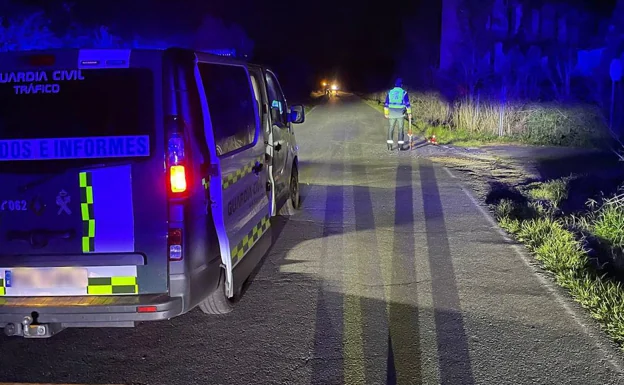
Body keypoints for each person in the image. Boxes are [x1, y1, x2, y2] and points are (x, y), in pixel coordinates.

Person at [384, 78, 412, 150]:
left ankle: (389, 147)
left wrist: (386, 113)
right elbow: (407, 104)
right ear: (401, 85)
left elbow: (386, 103)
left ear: (395, 85)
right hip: (400, 114)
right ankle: (400, 147)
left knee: (391, 128)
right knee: (400, 129)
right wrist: (409, 113)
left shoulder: (390, 92)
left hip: (391, 113)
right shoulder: (404, 92)